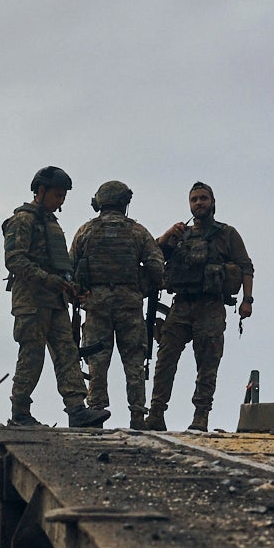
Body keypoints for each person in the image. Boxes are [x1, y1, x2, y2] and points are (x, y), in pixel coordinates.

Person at [2, 167, 105, 428]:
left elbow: (60, 264)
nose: (60, 201)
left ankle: (76, 410)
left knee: (67, 353)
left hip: (55, 301)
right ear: (41, 191)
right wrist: (49, 280)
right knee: (32, 356)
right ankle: (21, 411)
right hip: (31, 302)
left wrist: (70, 287)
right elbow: (15, 260)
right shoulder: (22, 221)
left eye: (63, 196)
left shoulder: (51, 223)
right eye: (57, 195)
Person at [150, 182, 255, 432]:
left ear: (213, 202)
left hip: (211, 306)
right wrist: (167, 236)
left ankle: (201, 416)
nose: (199, 203)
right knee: (165, 358)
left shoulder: (227, 234)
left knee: (207, 363)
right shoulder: (180, 234)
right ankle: (155, 413)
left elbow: (246, 267)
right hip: (181, 305)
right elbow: (153, 256)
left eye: (203, 198)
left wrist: (247, 300)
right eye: (194, 199)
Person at [70, 180, 166, 430]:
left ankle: (96, 412)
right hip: (129, 305)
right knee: (134, 360)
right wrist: (138, 289)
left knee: (96, 360)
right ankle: (137, 415)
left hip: (95, 304)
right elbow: (156, 268)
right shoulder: (137, 232)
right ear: (124, 202)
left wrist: (83, 294)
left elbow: (70, 270)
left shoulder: (85, 231)